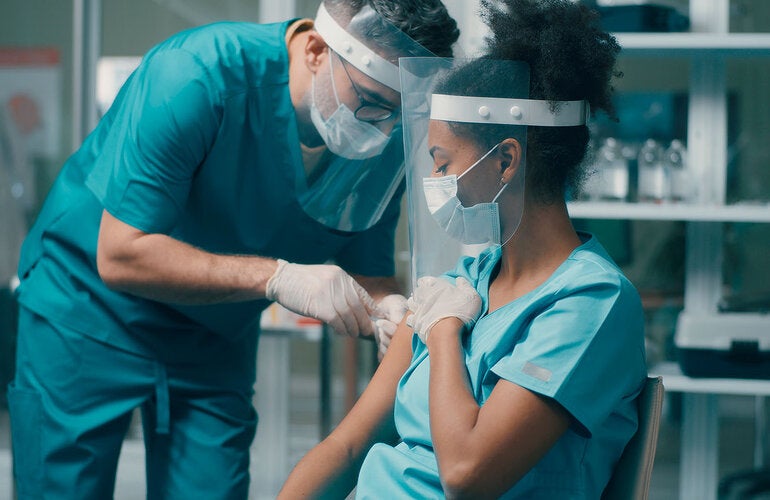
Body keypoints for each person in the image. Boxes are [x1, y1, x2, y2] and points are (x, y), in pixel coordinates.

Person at [7, 1, 459, 498]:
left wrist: (389, 307)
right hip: (87, 312)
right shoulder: (196, 75)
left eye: (400, 113)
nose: (384, 130)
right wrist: (278, 277)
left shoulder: (381, 135)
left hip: (213, 334)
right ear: (315, 50)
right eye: (372, 102)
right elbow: (120, 255)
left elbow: (367, 264)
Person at [278, 0, 647, 498]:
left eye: (443, 162)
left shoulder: (591, 303)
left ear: (506, 161)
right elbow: (346, 448)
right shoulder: (466, 281)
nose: (433, 180)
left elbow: (467, 474)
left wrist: (445, 332)